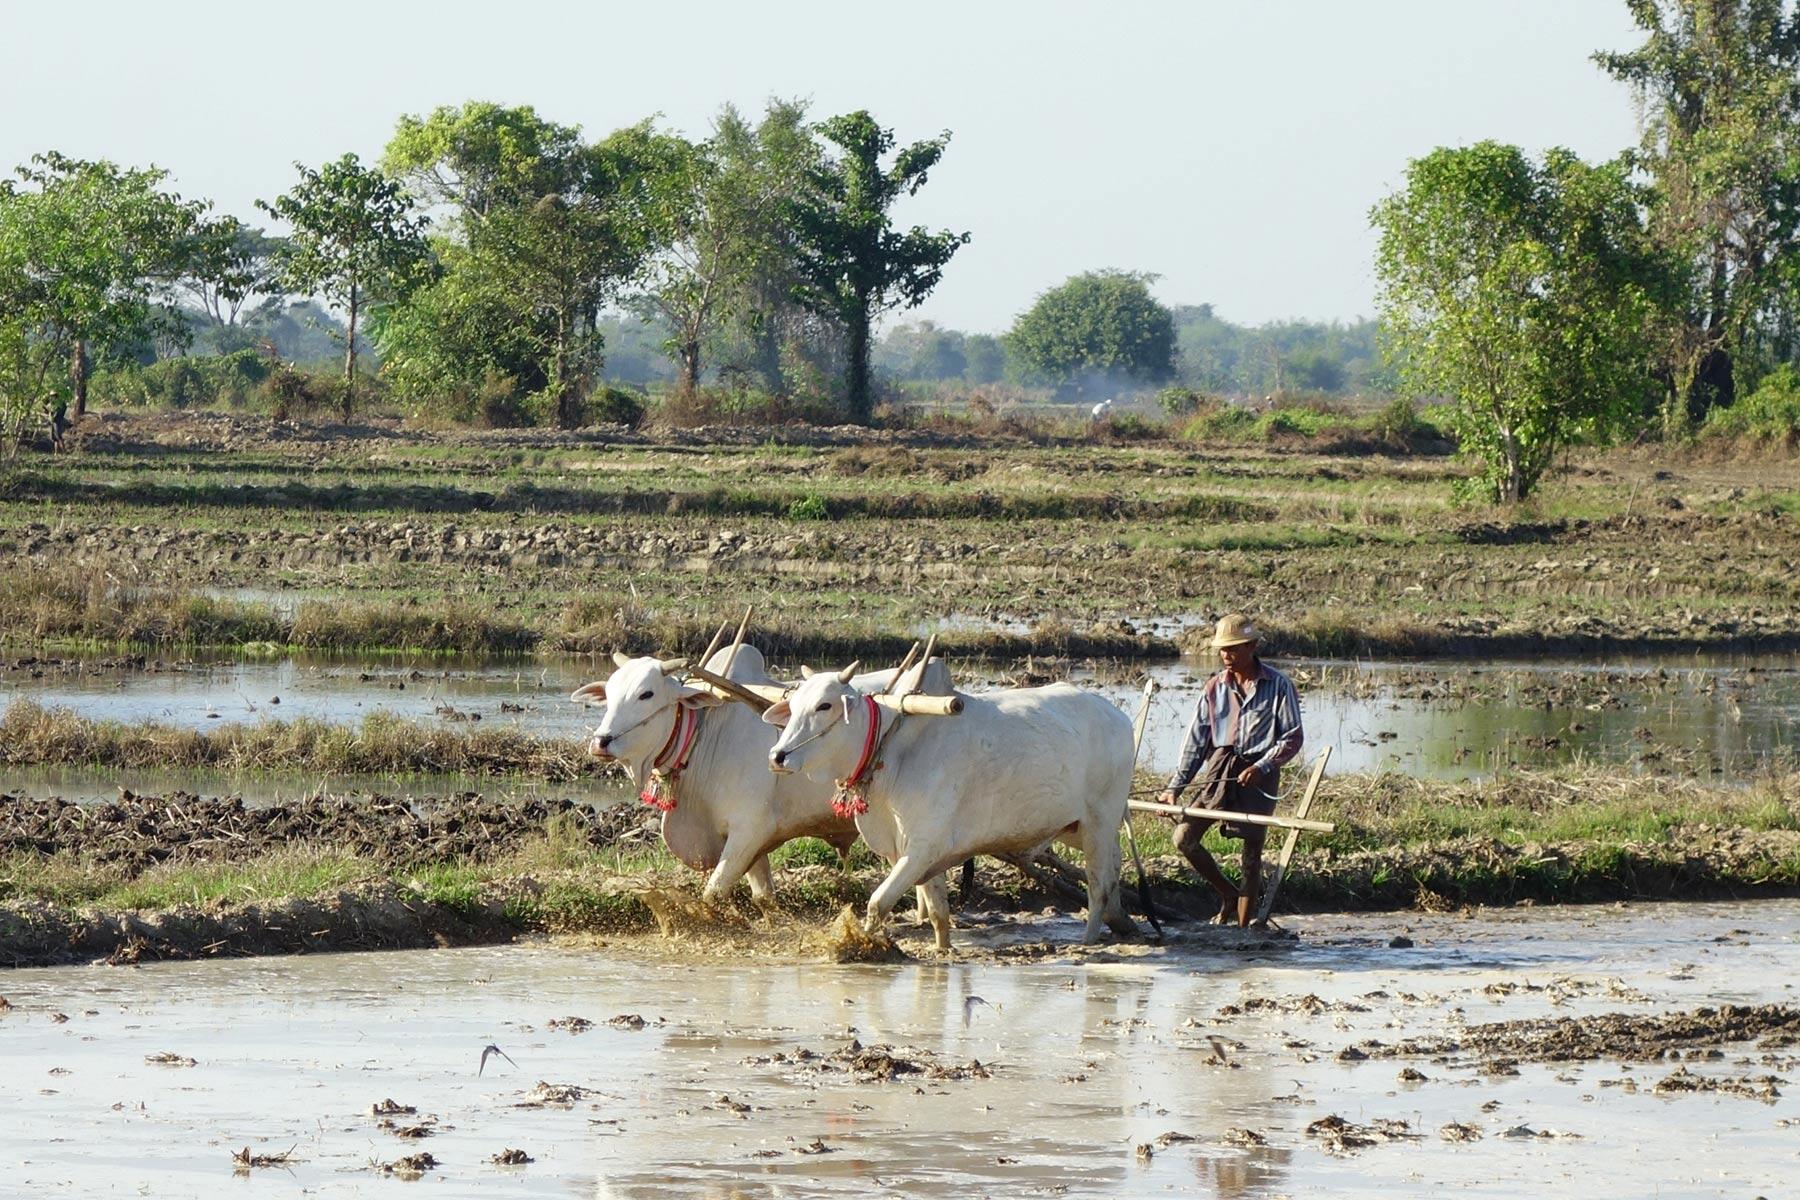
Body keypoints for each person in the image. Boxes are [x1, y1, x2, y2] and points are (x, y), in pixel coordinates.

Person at [1157, 613, 1303, 927]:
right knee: (1184, 837)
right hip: (1220, 771)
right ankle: (1228, 893)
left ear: (1252, 646)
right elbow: (1196, 742)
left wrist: (1263, 765)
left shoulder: (1278, 685)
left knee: (1251, 857)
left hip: (1257, 776)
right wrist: (1174, 788)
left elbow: (1292, 737)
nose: (1227, 655)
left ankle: (1243, 928)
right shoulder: (1214, 688)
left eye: (1234, 648)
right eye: (1223, 649)